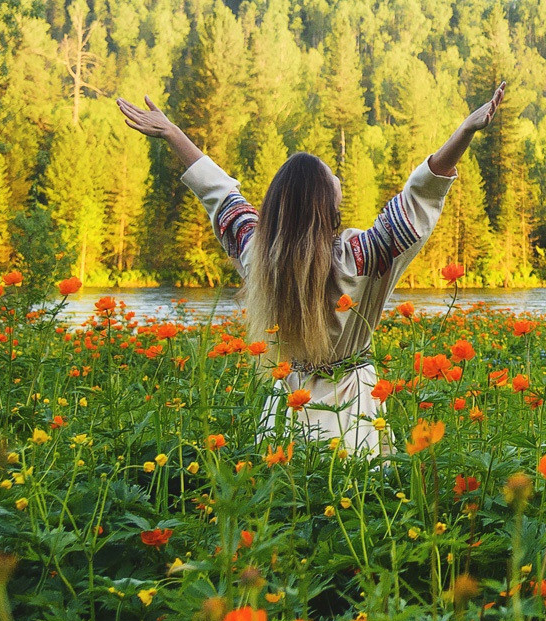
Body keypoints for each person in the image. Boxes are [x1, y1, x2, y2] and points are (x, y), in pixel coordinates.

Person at [115, 84, 505, 452]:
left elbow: (218, 194)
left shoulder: (261, 255)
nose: (338, 178)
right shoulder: (360, 256)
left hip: (285, 416)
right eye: (332, 177)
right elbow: (419, 195)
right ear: (327, 203)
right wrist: (464, 132)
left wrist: (173, 134)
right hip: (353, 419)